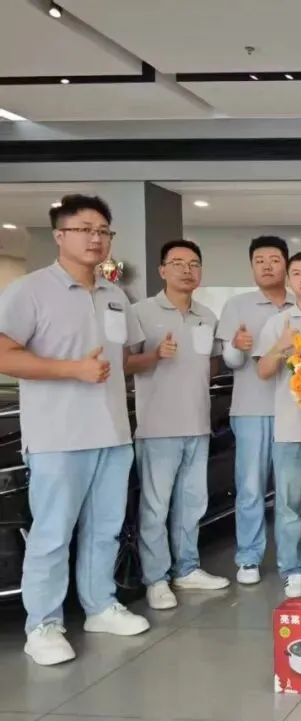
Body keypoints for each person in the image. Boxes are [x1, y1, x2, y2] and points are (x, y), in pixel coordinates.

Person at [0, 195, 150, 666]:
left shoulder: (114, 295)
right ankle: (42, 625)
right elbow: (4, 354)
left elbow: (121, 361)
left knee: (106, 529)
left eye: (103, 231)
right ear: (60, 235)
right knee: (52, 534)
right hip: (58, 436)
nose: (95, 238)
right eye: (85, 229)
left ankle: (100, 605)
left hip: (113, 433)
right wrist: (71, 370)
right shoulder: (30, 290)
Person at [125, 240, 230, 610]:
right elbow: (125, 364)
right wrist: (155, 355)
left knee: (192, 503)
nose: (187, 270)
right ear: (162, 270)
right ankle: (156, 579)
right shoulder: (140, 312)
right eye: (178, 263)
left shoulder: (207, 315)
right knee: (155, 507)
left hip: (197, 424)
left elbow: (212, 366)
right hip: (157, 427)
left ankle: (187, 568)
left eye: (194, 263)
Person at [215, 236, 293, 585]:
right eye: (259, 260)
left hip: (295, 412)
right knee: (250, 488)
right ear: (251, 267)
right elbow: (231, 361)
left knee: (293, 491)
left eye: (273, 259)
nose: (266, 266)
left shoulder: (300, 305)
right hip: (251, 409)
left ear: (286, 264)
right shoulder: (237, 305)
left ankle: (294, 561)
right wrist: (236, 345)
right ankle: (249, 557)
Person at [254, 252, 301, 599]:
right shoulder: (278, 323)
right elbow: (263, 371)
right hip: (291, 428)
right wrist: (281, 347)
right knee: (290, 504)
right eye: (296, 273)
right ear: (290, 280)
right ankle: (293, 569)